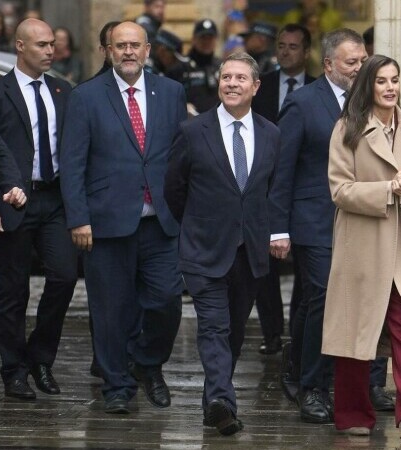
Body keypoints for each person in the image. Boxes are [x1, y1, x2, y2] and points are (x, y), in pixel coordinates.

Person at [60, 21, 186, 413]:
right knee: (110, 310)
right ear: (108, 51)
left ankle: (147, 363)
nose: (128, 52)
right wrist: (78, 218)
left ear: (148, 50)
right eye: (121, 46)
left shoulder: (170, 92)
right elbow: (72, 162)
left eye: (135, 45)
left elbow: (181, 159)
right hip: (106, 223)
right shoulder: (85, 97)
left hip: (161, 222)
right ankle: (117, 385)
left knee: (167, 302)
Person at [165, 52, 281, 436]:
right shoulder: (193, 131)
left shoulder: (270, 133)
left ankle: (213, 401)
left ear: (255, 86)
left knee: (232, 330)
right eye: (226, 77)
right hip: (203, 248)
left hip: (248, 252)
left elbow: (270, 190)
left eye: (240, 78)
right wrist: (199, 224)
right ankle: (222, 402)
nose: (231, 83)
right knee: (213, 326)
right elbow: (174, 188)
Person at [324, 54, 401, 439]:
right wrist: (388, 188)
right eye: (381, 81)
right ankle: (354, 413)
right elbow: (340, 190)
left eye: (395, 80)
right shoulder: (347, 129)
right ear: (367, 86)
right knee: (356, 331)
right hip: (360, 246)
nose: (390, 88)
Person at [269, 28, 367, 424]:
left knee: (336, 302)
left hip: (360, 220)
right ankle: (312, 386)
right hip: (313, 220)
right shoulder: (302, 103)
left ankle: (329, 377)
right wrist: (278, 228)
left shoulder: (372, 101)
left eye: (362, 61)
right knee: (324, 298)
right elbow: (282, 169)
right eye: (351, 62)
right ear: (328, 65)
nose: (359, 68)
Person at [0, 18, 77, 401]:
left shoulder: (63, 90)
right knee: (14, 290)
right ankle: (14, 370)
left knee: (64, 276)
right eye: (41, 45)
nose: (50, 51)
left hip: (54, 199)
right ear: (20, 47)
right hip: (11, 201)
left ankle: (41, 357)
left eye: (52, 45)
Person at [250, 23, 315, 358]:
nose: (286, 51)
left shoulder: (319, 89)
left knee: (304, 263)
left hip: (302, 184)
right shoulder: (262, 86)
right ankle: (272, 332)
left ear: (306, 51)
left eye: (293, 46)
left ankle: (297, 334)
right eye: (282, 45)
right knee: (265, 263)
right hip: (262, 183)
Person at [185, 19, 222, 114]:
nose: (206, 41)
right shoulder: (182, 66)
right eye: (202, 37)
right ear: (194, 39)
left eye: (210, 38)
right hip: (190, 123)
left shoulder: (222, 66)